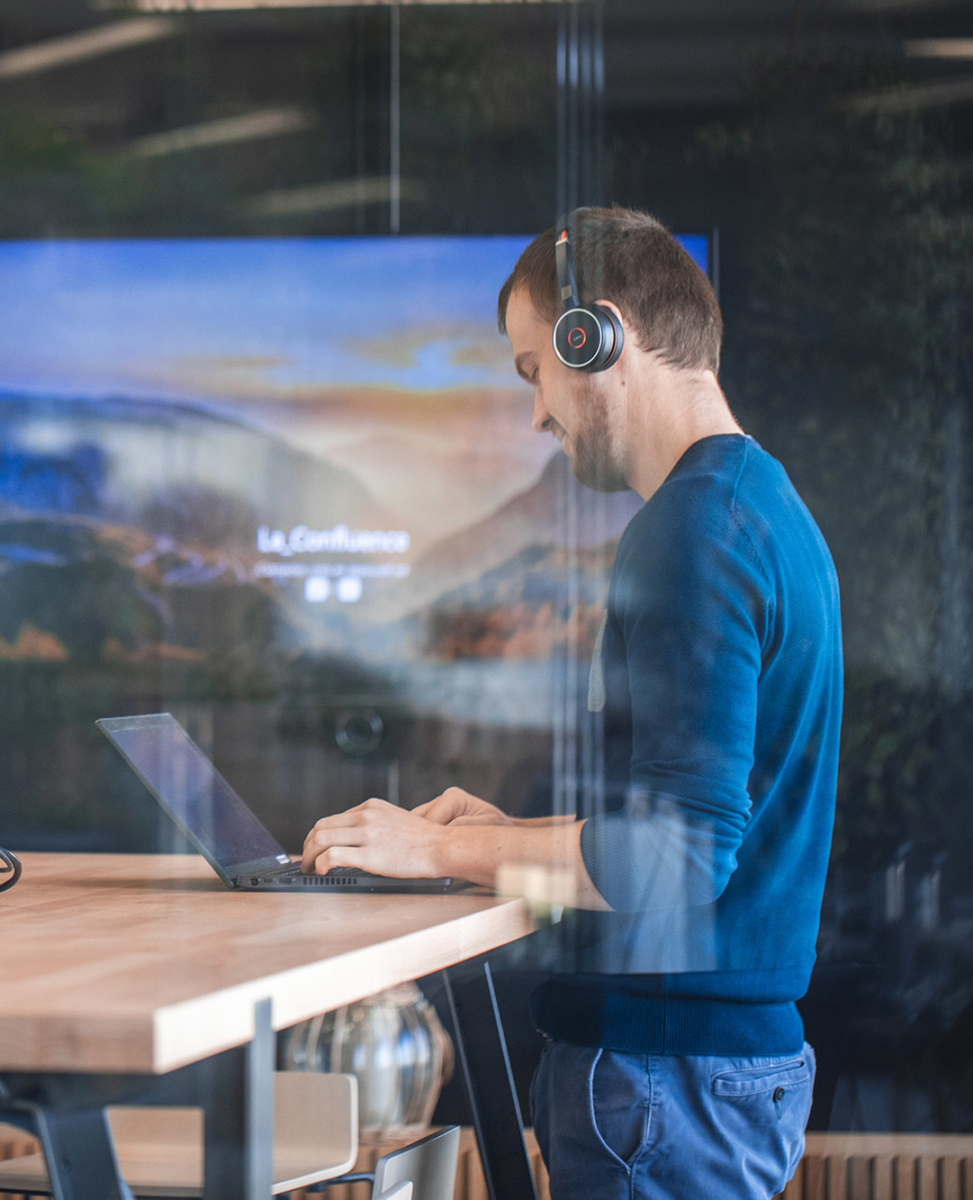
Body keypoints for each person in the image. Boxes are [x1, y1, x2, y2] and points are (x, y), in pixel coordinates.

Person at [301, 207, 841, 1200]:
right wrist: (519, 833)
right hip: (697, 1082)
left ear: (594, 337)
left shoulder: (694, 534)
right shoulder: (756, 505)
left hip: (665, 1088)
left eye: (529, 372)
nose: (535, 414)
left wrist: (437, 852)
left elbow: (678, 858)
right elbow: (682, 823)